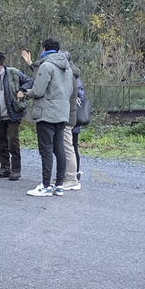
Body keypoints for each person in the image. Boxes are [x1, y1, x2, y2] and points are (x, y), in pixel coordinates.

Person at [22, 39, 73, 197]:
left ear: (44, 48)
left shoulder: (46, 65)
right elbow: (70, 90)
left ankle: (45, 185)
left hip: (46, 113)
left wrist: (26, 93)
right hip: (62, 112)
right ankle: (59, 185)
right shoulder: (67, 67)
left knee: (46, 150)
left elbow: (38, 90)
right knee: (60, 150)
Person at [0, 51, 33, 181]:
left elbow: (29, 81)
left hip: (13, 114)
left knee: (13, 142)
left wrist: (22, 90)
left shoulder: (13, 73)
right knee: (1, 143)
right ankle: (5, 168)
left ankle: (16, 170)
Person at [62, 52, 83, 191]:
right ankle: (69, 174)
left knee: (71, 146)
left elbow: (80, 95)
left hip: (71, 116)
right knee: (69, 146)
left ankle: (72, 176)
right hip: (71, 116)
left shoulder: (71, 75)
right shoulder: (72, 73)